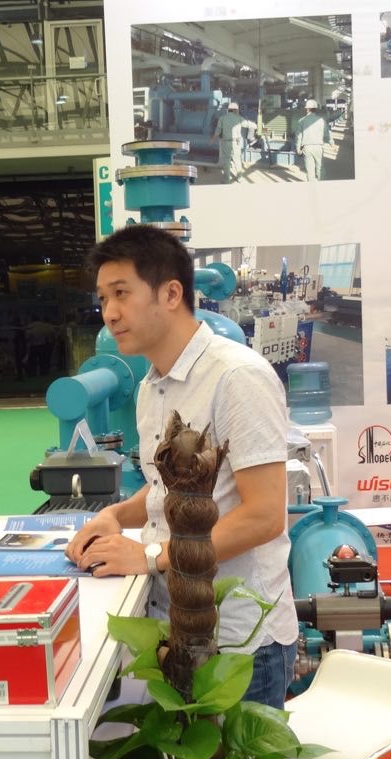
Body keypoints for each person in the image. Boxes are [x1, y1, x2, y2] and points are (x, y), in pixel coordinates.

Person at [64, 224, 298, 708]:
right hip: (173, 629)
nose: (109, 313)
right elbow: (162, 488)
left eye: (122, 293)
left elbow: (263, 516)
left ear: (171, 294)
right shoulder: (152, 385)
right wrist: (113, 515)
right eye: (103, 298)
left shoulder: (237, 377)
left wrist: (150, 556)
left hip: (237, 645)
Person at [215, 101, 256, 183]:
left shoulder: (222, 118)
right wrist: (256, 125)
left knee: (226, 161)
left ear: (228, 110)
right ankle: (239, 177)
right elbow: (248, 124)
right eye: (237, 110)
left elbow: (218, 130)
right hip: (236, 143)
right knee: (237, 160)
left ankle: (226, 180)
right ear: (234, 110)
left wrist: (213, 138)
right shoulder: (239, 118)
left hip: (226, 142)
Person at [293, 98, 329, 182]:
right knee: (320, 168)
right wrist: (331, 143)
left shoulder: (301, 120)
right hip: (318, 147)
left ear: (307, 109)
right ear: (315, 109)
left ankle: (311, 186)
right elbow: (327, 134)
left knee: (310, 170)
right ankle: (322, 185)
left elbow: (299, 136)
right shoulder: (321, 120)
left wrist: (298, 148)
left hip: (307, 148)